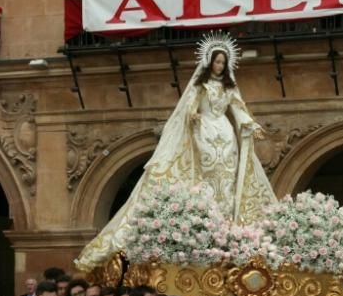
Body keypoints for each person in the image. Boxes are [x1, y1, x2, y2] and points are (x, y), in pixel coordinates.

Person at [76, 32, 276, 270]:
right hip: (205, 131)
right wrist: (193, 114)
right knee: (209, 175)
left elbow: (239, 110)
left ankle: (227, 223)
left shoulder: (229, 88)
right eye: (217, 61)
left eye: (223, 62)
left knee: (227, 178)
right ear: (209, 61)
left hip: (225, 133)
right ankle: (212, 219)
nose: (220, 66)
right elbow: (189, 106)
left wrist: (250, 125)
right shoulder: (200, 85)